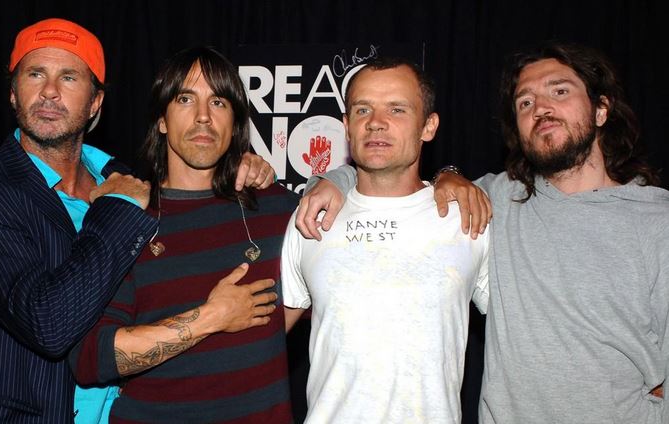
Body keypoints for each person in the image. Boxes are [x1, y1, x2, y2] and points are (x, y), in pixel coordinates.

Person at [298, 42, 668, 423]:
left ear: (601, 109)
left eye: (559, 91)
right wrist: (335, 180)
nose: (541, 108)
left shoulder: (657, 221)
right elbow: (386, 178)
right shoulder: (496, 201)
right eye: (525, 102)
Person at [0, 19, 274, 423]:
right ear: (12, 93)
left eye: (68, 77)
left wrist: (239, 167)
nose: (50, 91)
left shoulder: (124, 178)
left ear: (95, 102)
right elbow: (47, 324)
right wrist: (119, 208)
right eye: (35, 74)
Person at [70, 46, 299, 423]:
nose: (203, 116)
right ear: (162, 119)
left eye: (219, 102)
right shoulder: (126, 219)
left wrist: (338, 181)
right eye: (185, 99)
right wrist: (211, 317)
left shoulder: (276, 208)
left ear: (235, 122)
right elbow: (90, 358)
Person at [281, 57, 489, 423]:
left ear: (428, 126)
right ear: (347, 126)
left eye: (397, 109)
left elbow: (521, 334)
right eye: (363, 109)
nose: (376, 122)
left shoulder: (468, 217)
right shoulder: (311, 217)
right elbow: (262, 342)